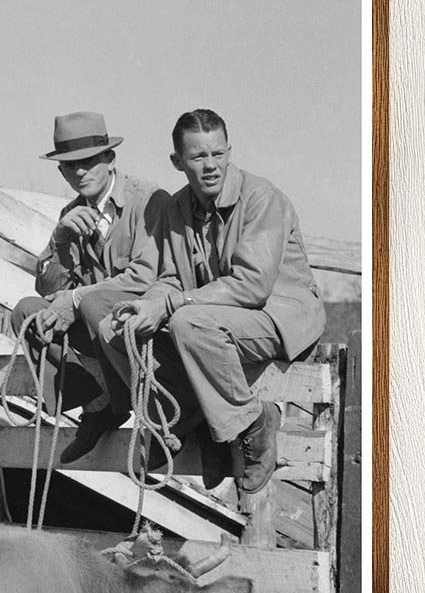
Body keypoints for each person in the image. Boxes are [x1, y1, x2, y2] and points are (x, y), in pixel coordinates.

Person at [97, 108, 325, 492]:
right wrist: (149, 304)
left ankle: (254, 422)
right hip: (218, 318)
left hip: (280, 315)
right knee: (115, 328)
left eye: (218, 154)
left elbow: (252, 286)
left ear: (229, 152)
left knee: (188, 322)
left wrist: (172, 304)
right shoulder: (177, 207)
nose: (211, 166)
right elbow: (171, 278)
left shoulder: (261, 198)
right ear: (177, 162)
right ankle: (189, 421)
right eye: (198, 156)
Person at [10, 111, 170, 464]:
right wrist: (60, 239)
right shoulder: (72, 213)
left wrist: (76, 297)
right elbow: (49, 288)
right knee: (27, 312)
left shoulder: (148, 201)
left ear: (110, 159)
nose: (80, 172)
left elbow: (146, 277)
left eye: (89, 161)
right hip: (96, 331)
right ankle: (100, 406)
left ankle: (140, 411)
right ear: (61, 172)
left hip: (140, 327)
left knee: (89, 306)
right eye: (71, 165)